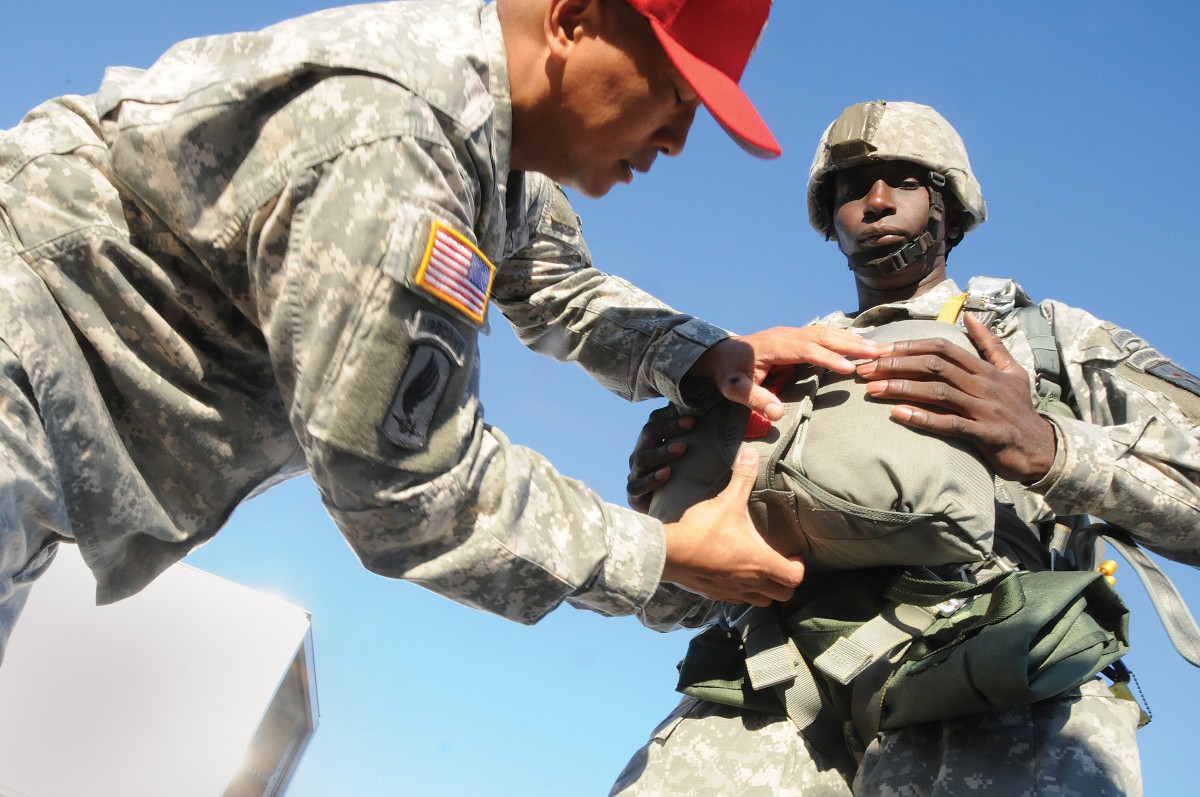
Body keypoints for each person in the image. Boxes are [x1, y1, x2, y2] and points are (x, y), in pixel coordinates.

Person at [0, 0, 887, 664]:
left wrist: (708, 355)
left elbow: (554, 282)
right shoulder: (397, 147)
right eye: (674, 90)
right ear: (574, 19)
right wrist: (666, 555)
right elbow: (405, 487)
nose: (681, 138)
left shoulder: (486, 145)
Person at [612, 100, 1200, 796]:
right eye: (853, 188)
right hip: (780, 689)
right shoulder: (778, 364)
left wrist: (1051, 448)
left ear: (949, 204)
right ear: (830, 221)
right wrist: (665, 510)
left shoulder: (1047, 340)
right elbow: (674, 607)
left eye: (904, 181)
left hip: (992, 686)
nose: (877, 201)